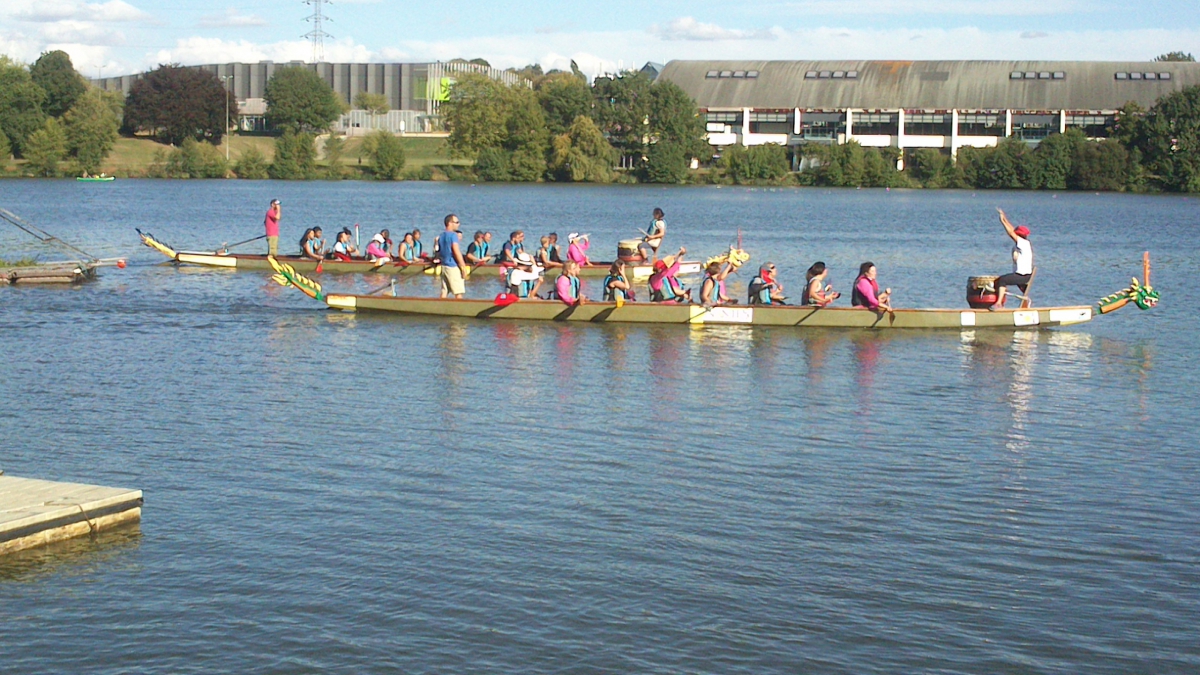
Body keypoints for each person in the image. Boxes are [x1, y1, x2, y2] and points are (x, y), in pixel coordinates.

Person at [992, 208, 1034, 310]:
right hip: (1021, 275)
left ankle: (998, 304)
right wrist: (1004, 217)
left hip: (1023, 276)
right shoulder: (1022, 243)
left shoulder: (1023, 243)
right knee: (1002, 281)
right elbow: (1012, 230)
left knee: (1002, 280)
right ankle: (1026, 306)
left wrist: (1002, 222)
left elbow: (1011, 233)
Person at [437, 214, 468, 299]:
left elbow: (439, 252)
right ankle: (460, 310)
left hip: (444, 266)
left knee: (444, 291)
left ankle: (439, 308)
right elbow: (456, 251)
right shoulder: (453, 235)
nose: (458, 224)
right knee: (458, 292)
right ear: (450, 223)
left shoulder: (441, 236)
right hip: (452, 266)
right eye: (457, 222)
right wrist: (463, 267)